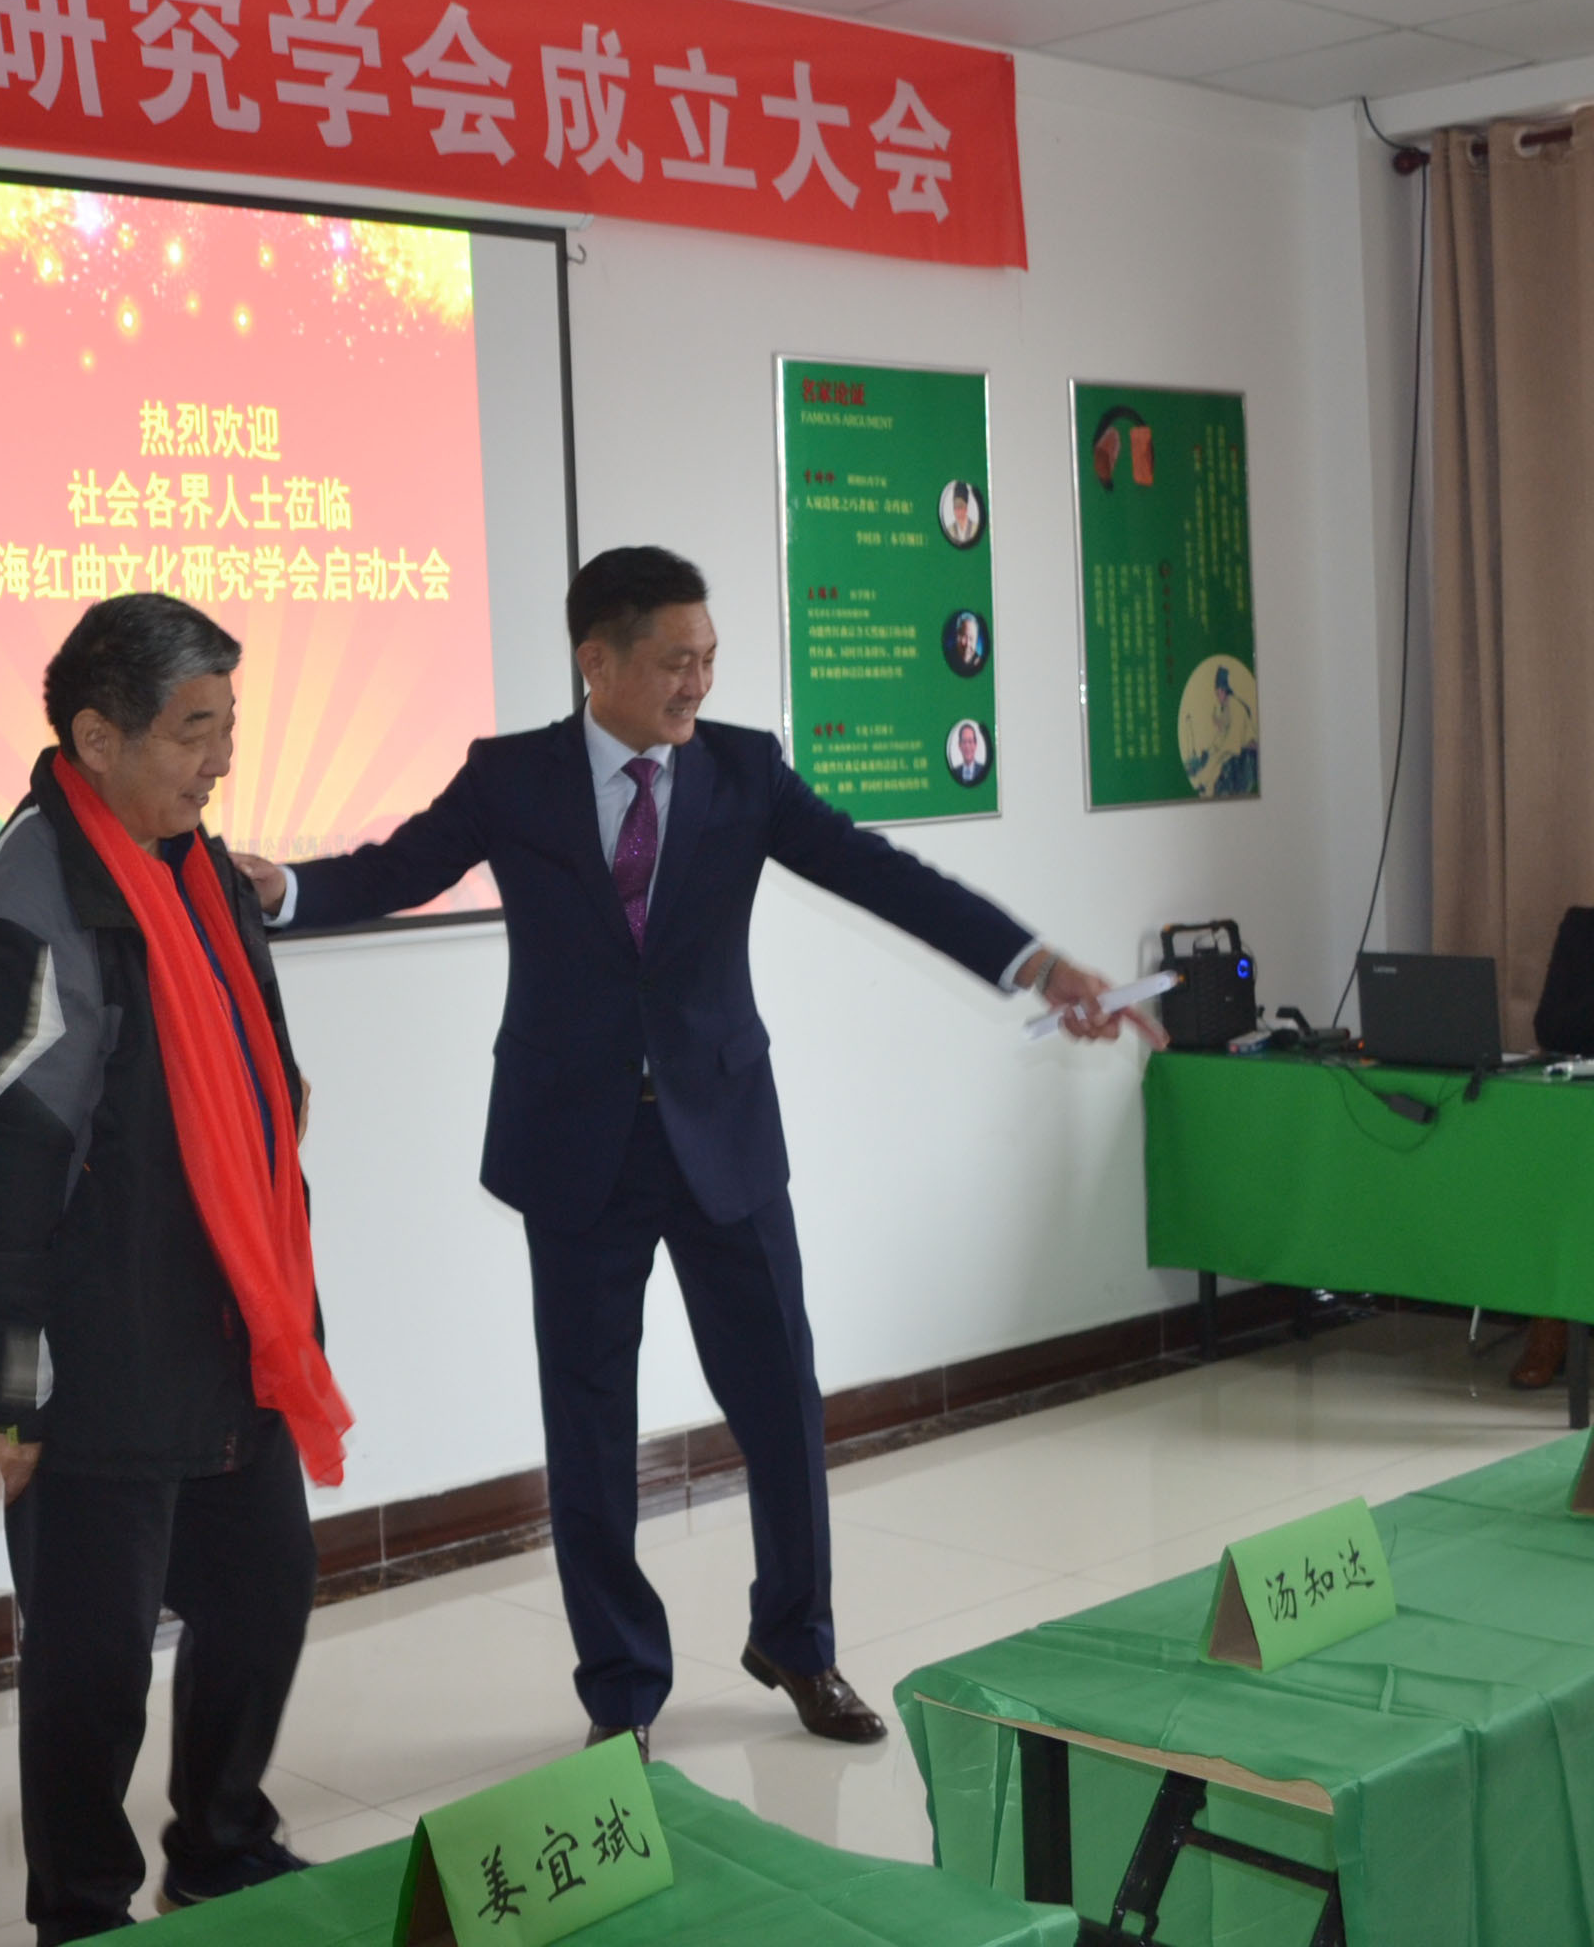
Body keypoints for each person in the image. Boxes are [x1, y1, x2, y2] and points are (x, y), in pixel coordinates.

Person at [234, 548, 1155, 1754]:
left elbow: (881, 876)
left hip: (723, 1137)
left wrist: (1037, 964)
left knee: (781, 1404)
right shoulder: (511, 778)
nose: (698, 683)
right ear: (597, 660)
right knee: (589, 1427)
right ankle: (621, 1687)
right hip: (575, 1147)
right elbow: (395, 869)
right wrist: (286, 892)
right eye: (676, 661)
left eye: (709, 659)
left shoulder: (743, 772)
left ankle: (800, 1641)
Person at [0, 593, 349, 1942]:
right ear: (97, 738)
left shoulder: (199, 868)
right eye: (193, 730)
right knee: (93, 1663)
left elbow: (260, 1085)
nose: (221, 759)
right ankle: (82, 1907)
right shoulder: (31, 901)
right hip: (99, 1352)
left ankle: (221, 1847)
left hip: (229, 1329)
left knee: (265, 1596)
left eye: (229, 724)